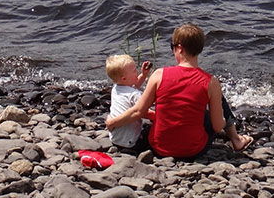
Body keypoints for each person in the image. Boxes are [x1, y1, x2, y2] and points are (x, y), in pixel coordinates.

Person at [106, 23, 253, 159]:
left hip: (159, 147)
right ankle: (237, 140)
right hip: (194, 150)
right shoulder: (211, 82)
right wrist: (218, 117)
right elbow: (217, 126)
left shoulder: (159, 75)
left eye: (173, 47)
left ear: (180, 48)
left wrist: (112, 122)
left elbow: (138, 111)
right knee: (215, 102)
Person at [105, 54, 155, 152]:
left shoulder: (116, 88)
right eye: (134, 71)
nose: (137, 72)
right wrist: (159, 117)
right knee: (151, 129)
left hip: (115, 137)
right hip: (131, 141)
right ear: (124, 79)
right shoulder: (134, 94)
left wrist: (143, 74)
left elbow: (134, 84)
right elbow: (144, 112)